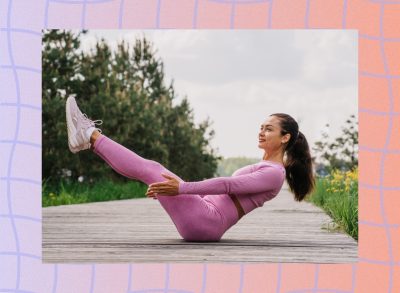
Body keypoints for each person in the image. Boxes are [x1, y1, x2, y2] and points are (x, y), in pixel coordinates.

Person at [66, 96, 315, 242]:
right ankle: (89, 139)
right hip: (204, 215)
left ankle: (90, 135)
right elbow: (221, 193)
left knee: (152, 168)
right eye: (261, 126)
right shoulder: (264, 166)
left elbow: (228, 186)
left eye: (269, 128)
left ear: (285, 138)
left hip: (206, 222)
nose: (261, 131)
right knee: (152, 171)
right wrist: (176, 192)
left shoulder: (274, 173)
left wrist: (182, 189)